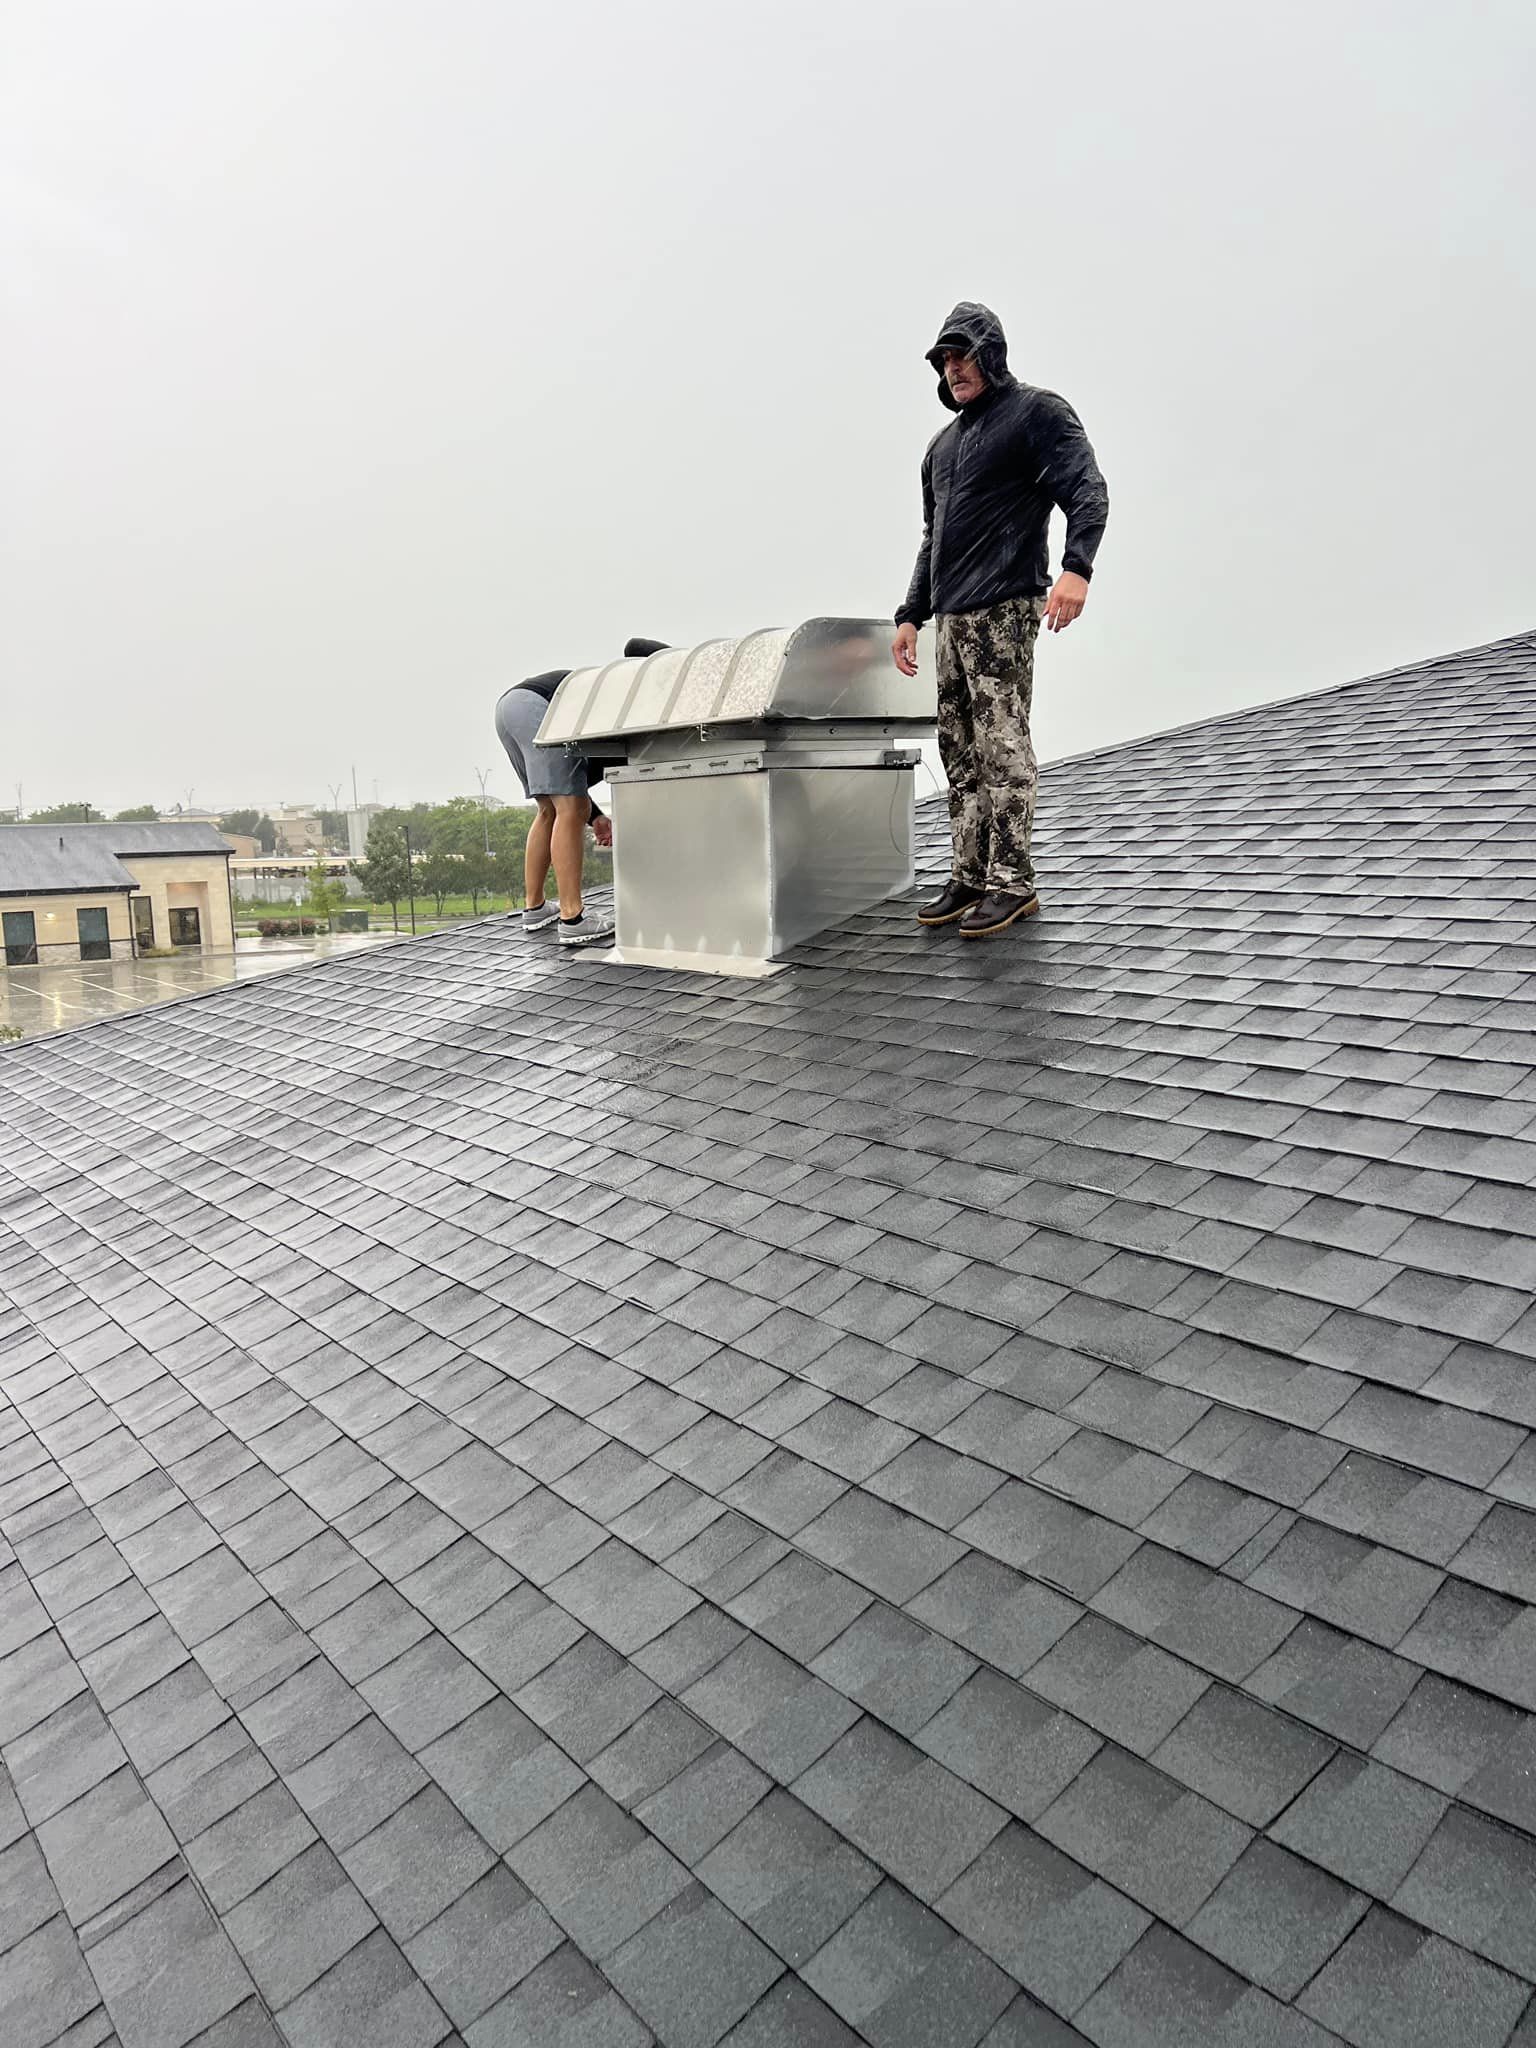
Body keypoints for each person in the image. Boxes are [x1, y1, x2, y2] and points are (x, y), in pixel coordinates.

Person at [892, 301, 1108, 937]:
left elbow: (1086, 488)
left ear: (991, 352)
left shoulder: (1036, 413)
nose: (954, 368)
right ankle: (970, 871)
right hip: (951, 620)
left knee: (1001, 746)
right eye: (945, 360)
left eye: (963, 354)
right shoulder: (941, 449)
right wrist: (910, 613)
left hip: (1005, 608)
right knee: (958, 751)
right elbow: (934, 538)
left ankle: (1012, 882)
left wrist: (1077, 568)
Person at [493, 637, 668, 947]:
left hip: (511, 707)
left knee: (550, 808)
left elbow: (570, 787)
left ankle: (535, 908)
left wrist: (596, 817)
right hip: (538, 707)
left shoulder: (613, 687)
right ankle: (573, 918)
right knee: (569, 808)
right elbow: (574, 802)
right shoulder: (632, 693)